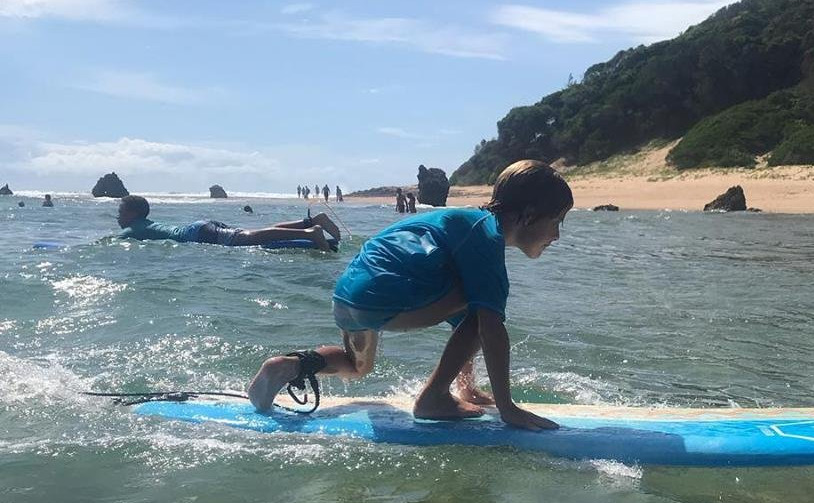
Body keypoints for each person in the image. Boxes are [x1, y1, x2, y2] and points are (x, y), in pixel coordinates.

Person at [247, 160, 573, 430]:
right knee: (486, 309)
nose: (557, 235)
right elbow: (487, 328)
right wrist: (507, 408)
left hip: (349, 296)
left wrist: (468, 386)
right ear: (529, 215)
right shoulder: (486, 238)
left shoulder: (462, 222)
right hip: (383, 295)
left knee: (356, 366)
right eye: (557, 221)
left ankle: (289, 366)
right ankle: (433, 398)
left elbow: (463, 324)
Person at [115, 195, 340, 251]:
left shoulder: (131, 230)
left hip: (197, 234)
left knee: (251, 238)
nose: (118, 216)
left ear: (133, 214)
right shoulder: (146, 224)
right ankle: (309, 222)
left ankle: (311, 233)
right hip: (199, 227)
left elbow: (116, 241)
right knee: (253, 233)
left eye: (120, 211)